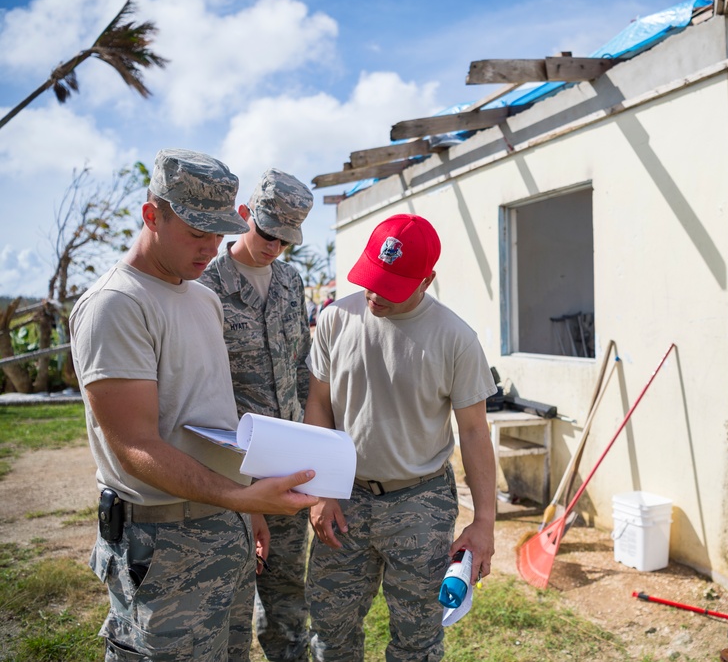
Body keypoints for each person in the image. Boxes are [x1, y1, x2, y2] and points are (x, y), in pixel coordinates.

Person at [70, 148, 319, 661]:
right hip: (161, 541)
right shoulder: (115, 305)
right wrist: (241, 499)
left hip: (223, 527)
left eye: (218, 232)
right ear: (151, 215)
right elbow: (134, 447)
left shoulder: (199, 296)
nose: (210, 247)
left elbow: (216, 415)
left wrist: (243, 510)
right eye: (195, 231)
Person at [305, 213, 497, 661]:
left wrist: (484, 520)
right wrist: (321, 490)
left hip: (420, 504)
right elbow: (318, 404)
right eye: (371, 277)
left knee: (418, 638)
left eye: (391, 286)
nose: (374, 294)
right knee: (330, 629)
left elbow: (473, 431)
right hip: (343, 496)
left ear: (427, 279)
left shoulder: (456, 339)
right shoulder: (336, 319)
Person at [200, 168, 314, 661]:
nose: (274, 248)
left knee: (289, 596)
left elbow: (304, 368)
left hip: (287, 465)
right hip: (226, 470)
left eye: (286, 240)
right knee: (229, 603)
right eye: (268, 234)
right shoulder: (205, 285)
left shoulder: (291, 282)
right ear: (244, 215)